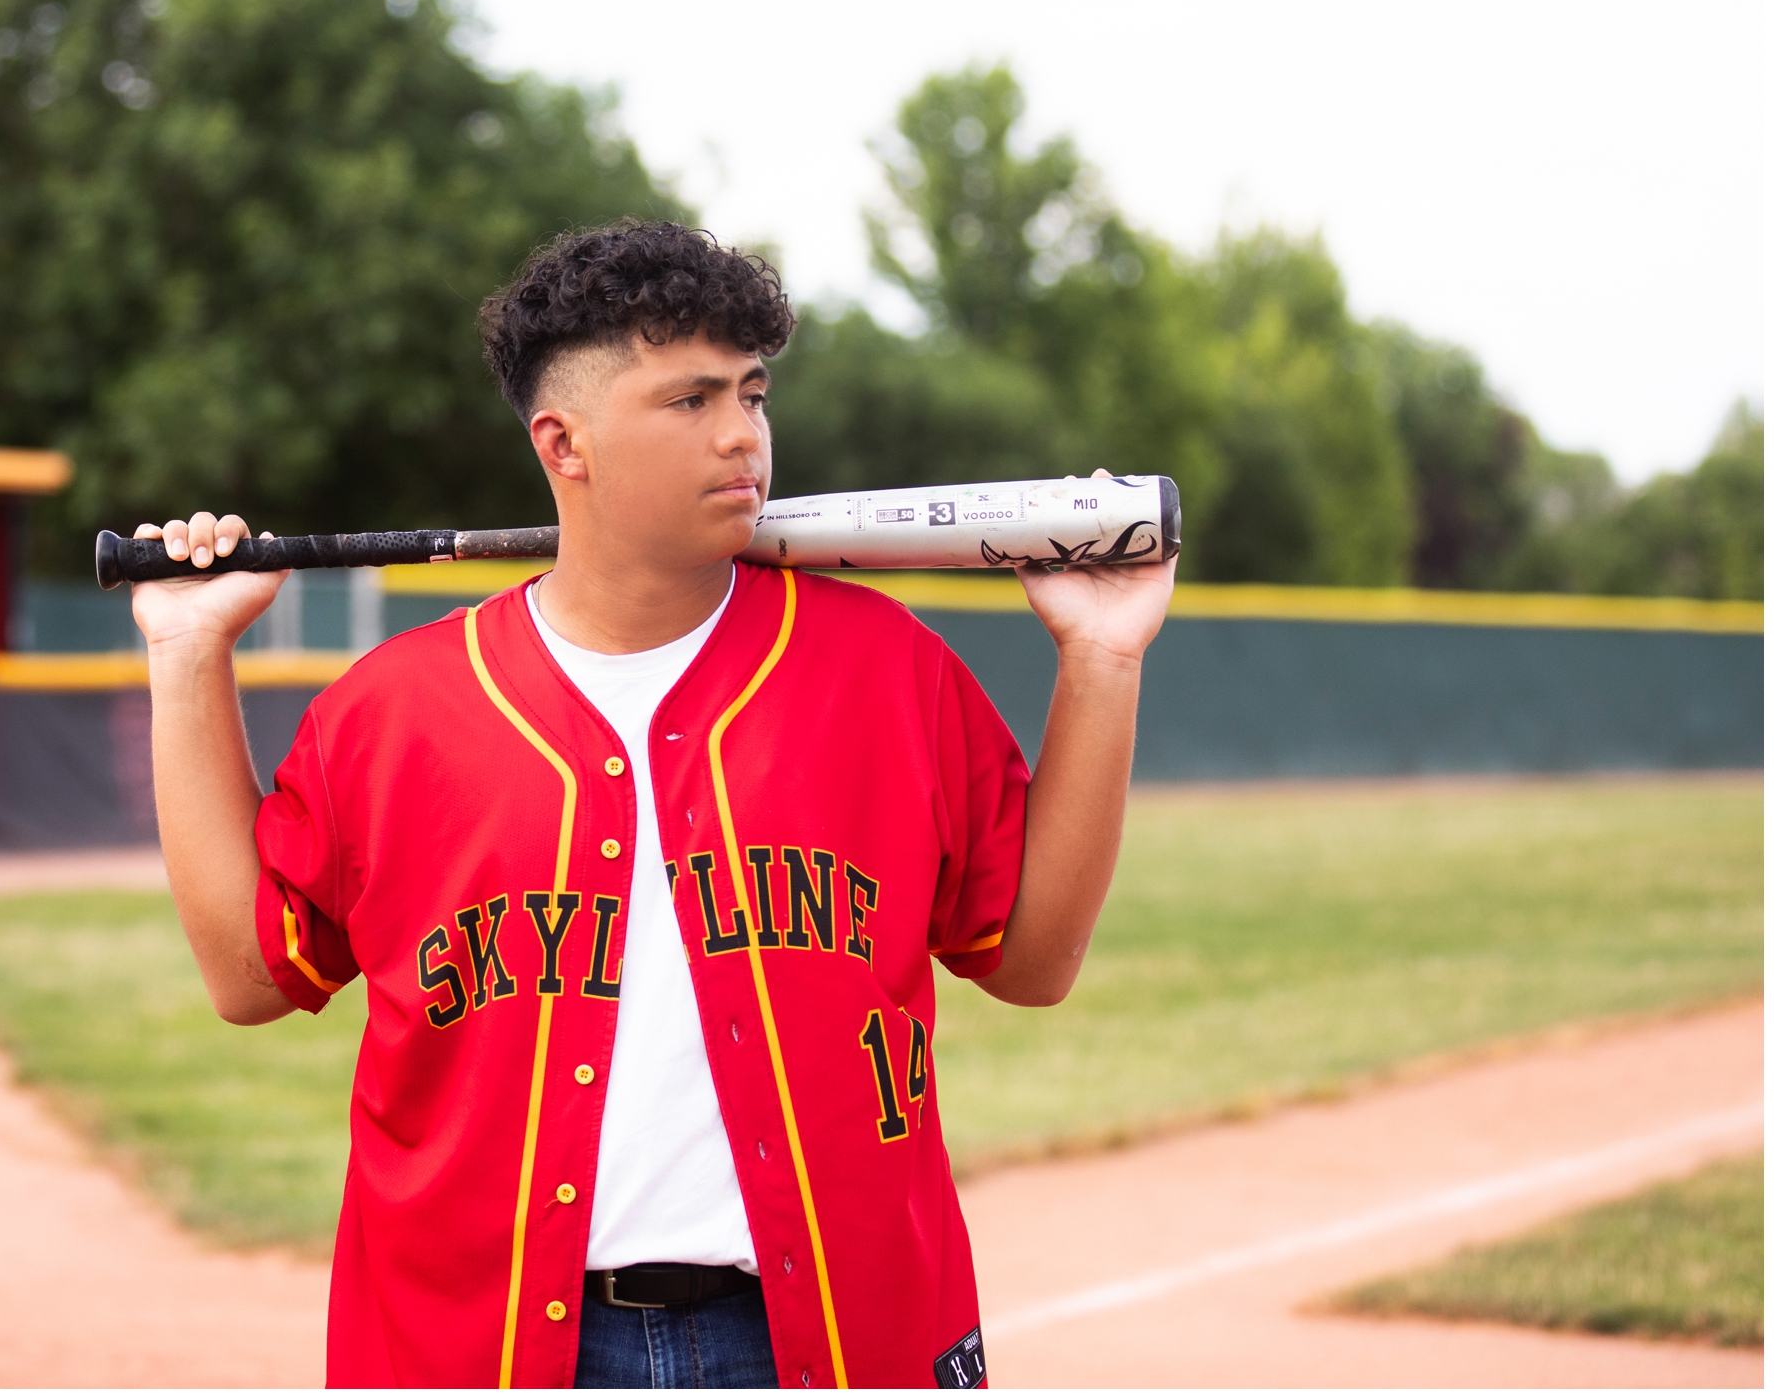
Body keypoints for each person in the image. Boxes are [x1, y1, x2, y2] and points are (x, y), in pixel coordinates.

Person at [132, 220, 1174, 1389]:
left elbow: (1031, 958)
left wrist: (1101, 658)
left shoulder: (886, 669)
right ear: (562, 442)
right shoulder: (397, 709)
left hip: (823, 1342)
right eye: (689, 399)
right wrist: (186, 656)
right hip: (482, 1347)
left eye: (753, 392)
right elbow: (249, 974)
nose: (743, 433)